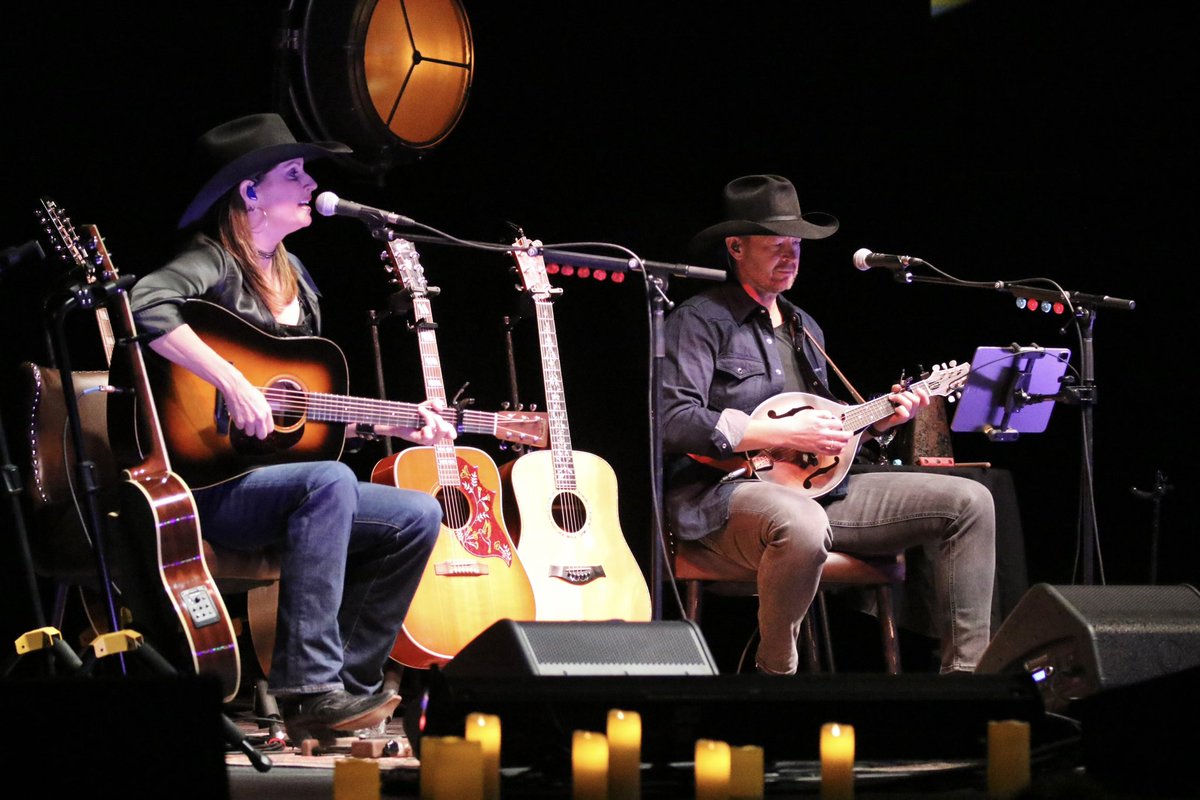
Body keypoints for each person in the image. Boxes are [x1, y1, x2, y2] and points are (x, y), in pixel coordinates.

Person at [129, 113, 451, 741]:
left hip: (285, 483)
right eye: (294, 172)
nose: (311, 183)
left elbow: (304, 412)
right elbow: (143, 304)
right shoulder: (210, 261)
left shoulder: (298, 279)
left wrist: (391, 422)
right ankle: (306, 686)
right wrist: (228, 378)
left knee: (415, 515)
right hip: (209, 485)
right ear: (250, 191)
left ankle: (346, 693)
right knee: (329, 483)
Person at [661, 174, 995, 675]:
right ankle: (774, 672)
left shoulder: (805, 327)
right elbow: (673, 420)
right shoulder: (700, 320)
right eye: (776, 244)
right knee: (799, 522)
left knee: (970, 502)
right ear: (734, 247)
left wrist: (881, 419)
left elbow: (828, 429)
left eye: (796, 245)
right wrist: (778, 434)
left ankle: (969, 681)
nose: (790, 256)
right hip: (724, 497)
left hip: (816, 493)